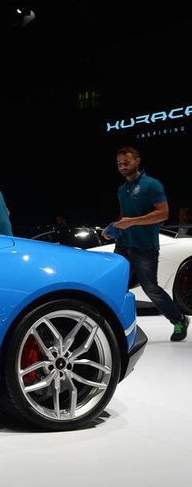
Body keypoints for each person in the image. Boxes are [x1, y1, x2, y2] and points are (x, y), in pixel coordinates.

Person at [104, 146, 188, 341]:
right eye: (119, 164)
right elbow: (124, 214)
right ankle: (118, 331)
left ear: (137, 161)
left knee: (151, 288)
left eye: (126, 162)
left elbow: (163, 213)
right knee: (117, 288)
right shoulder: (121, 189)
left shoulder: (152, 185)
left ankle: (179, 320)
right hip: (122, 245)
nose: (122, 167)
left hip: (144, 246)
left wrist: (132, 221)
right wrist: (114, 227)